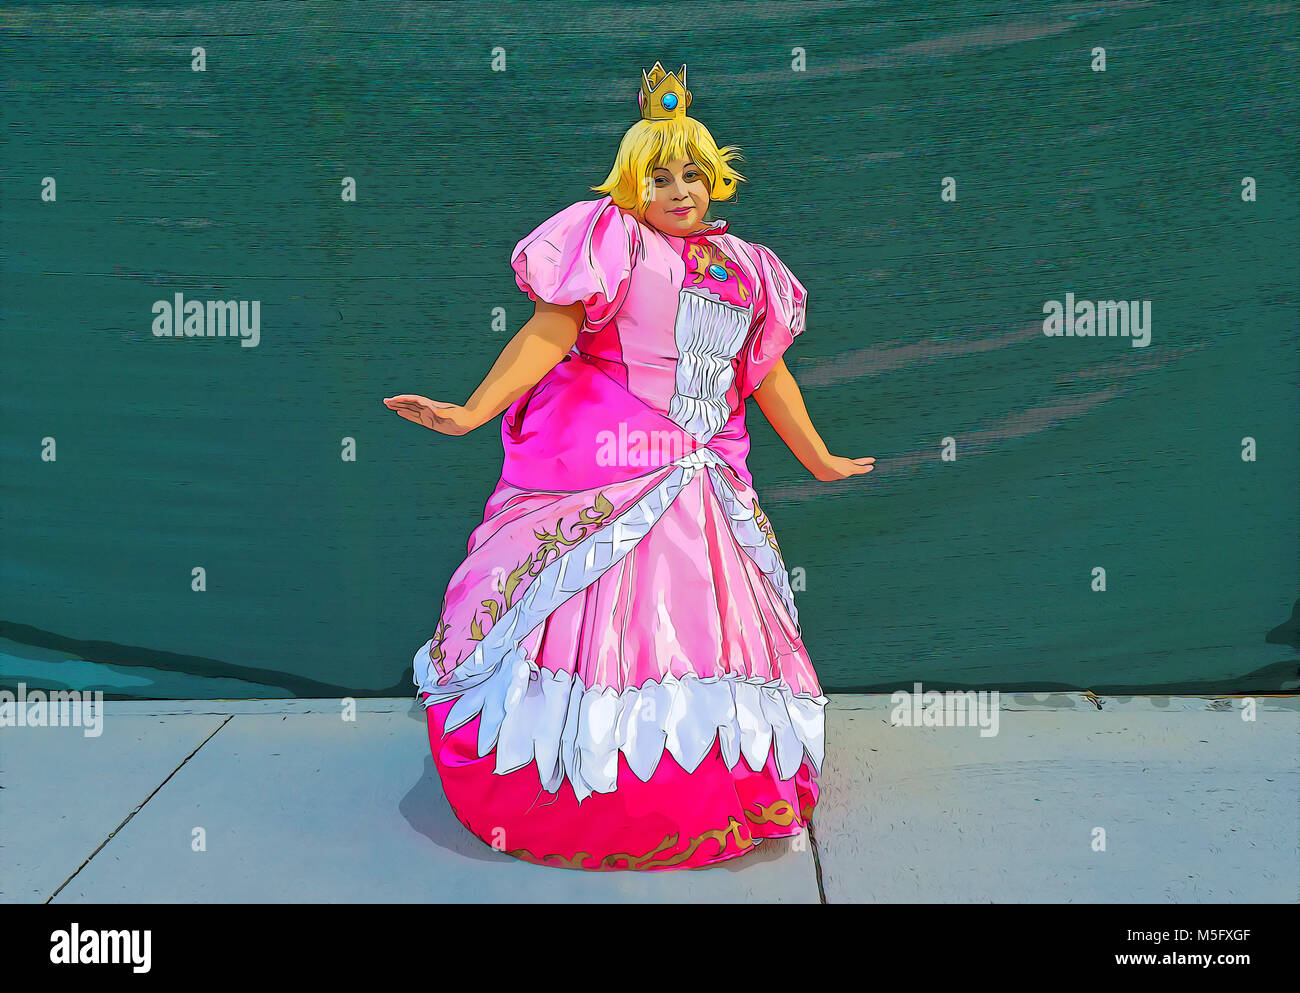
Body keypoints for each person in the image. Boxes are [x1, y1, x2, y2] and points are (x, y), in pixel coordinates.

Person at [384, 62, 873, 871]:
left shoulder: (750, 268)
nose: (680, 189)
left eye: (692, 172)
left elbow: (765, 374)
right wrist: (471, 409)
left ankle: (710, 790)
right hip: (610, 472)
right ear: (630, 184)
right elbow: (549, 332)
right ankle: (592, 790)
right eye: (659, 175)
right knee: (591, 621)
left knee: (711, 627)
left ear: (716, 178)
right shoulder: (610, 239)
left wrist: (815, 456)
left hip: (705, 482)